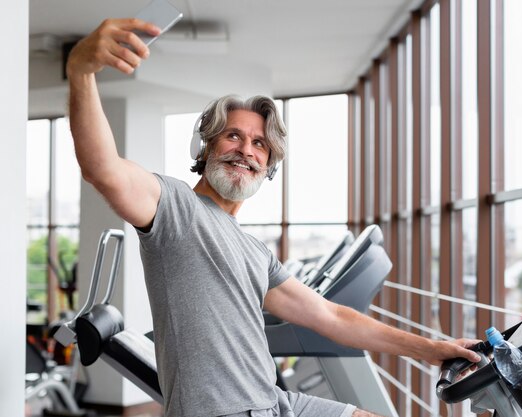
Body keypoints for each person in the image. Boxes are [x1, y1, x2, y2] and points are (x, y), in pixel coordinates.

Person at [66, 18, 481, 417]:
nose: (246, 150)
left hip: (274, 402)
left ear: (269, 166)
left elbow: (331, 317)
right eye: (233, 136)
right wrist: (81, 71)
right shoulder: (174, 207)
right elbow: (102, 168)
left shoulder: (254, 251)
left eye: (259, 144)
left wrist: (433, 349)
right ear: (205, 148)